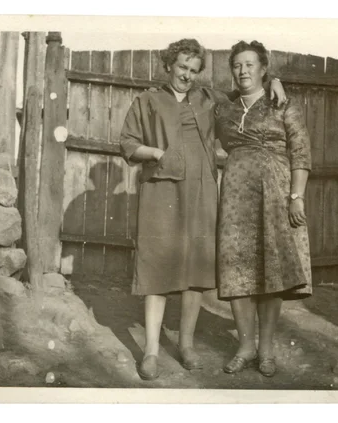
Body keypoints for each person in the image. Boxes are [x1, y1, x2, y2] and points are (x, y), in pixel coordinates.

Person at [119, 38, 287, 381]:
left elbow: (247, 91)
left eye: (194, 71)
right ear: (169, 65)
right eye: (182, 68)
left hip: (201, 192)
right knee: (157, 269)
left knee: (195, 272)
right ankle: (151, 351)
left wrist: (276, 81)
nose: (187, 76)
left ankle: (186, 344)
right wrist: (156, 154)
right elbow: (127, 143)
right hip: (161, 192)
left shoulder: (209, 99)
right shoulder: (148, 100)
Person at [215, 40, 313, 378]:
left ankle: (267, 349)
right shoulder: (223, 108)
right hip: (235, 197)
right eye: (237, 65)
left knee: (274, 270)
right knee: (236, 268)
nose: (243, 71)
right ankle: (245, 346)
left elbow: (300, 152)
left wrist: (296, 196)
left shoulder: (282, 104)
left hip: (276, 193)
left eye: (250, 64)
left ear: (263, 68)